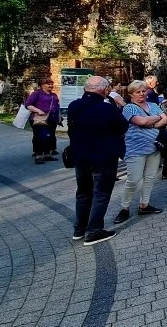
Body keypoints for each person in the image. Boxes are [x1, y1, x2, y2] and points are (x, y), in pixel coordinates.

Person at [67, 76, 129, 245]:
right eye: (107, 88)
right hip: (103, 157)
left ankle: (79, 229)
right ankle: (94, 231)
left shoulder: (74, 106)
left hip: (80, 156)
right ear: (103, 89)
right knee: (101, 194)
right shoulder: (107, 109)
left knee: (83, 192)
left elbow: (71, 130)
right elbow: (123, 127)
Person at [114, 80, 167, 224]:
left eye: (144, 91)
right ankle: (124, 208)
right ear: (131, 94)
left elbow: (166, 119)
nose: (141, 94)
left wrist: (150, 122)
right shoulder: (129, 108)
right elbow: (141, 122)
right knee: (133, 180)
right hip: (135, 149)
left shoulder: (153, 105)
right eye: (138, 92)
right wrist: (157, 119)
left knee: (150, 178)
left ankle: (144, 204)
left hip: (154, 147)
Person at [25, 78, 61, 165]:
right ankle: (38, 155)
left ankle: (47, 155)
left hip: (52, 120)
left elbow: (56, 106)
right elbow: (28, 105)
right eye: (48, 84)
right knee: (40, 137)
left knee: (50, 137)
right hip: (39, 119)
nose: (50, 86)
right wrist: (38, 110)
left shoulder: (53, 95)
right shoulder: (37, 93)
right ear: (42, 85)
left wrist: (59, 116)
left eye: (51, 84)